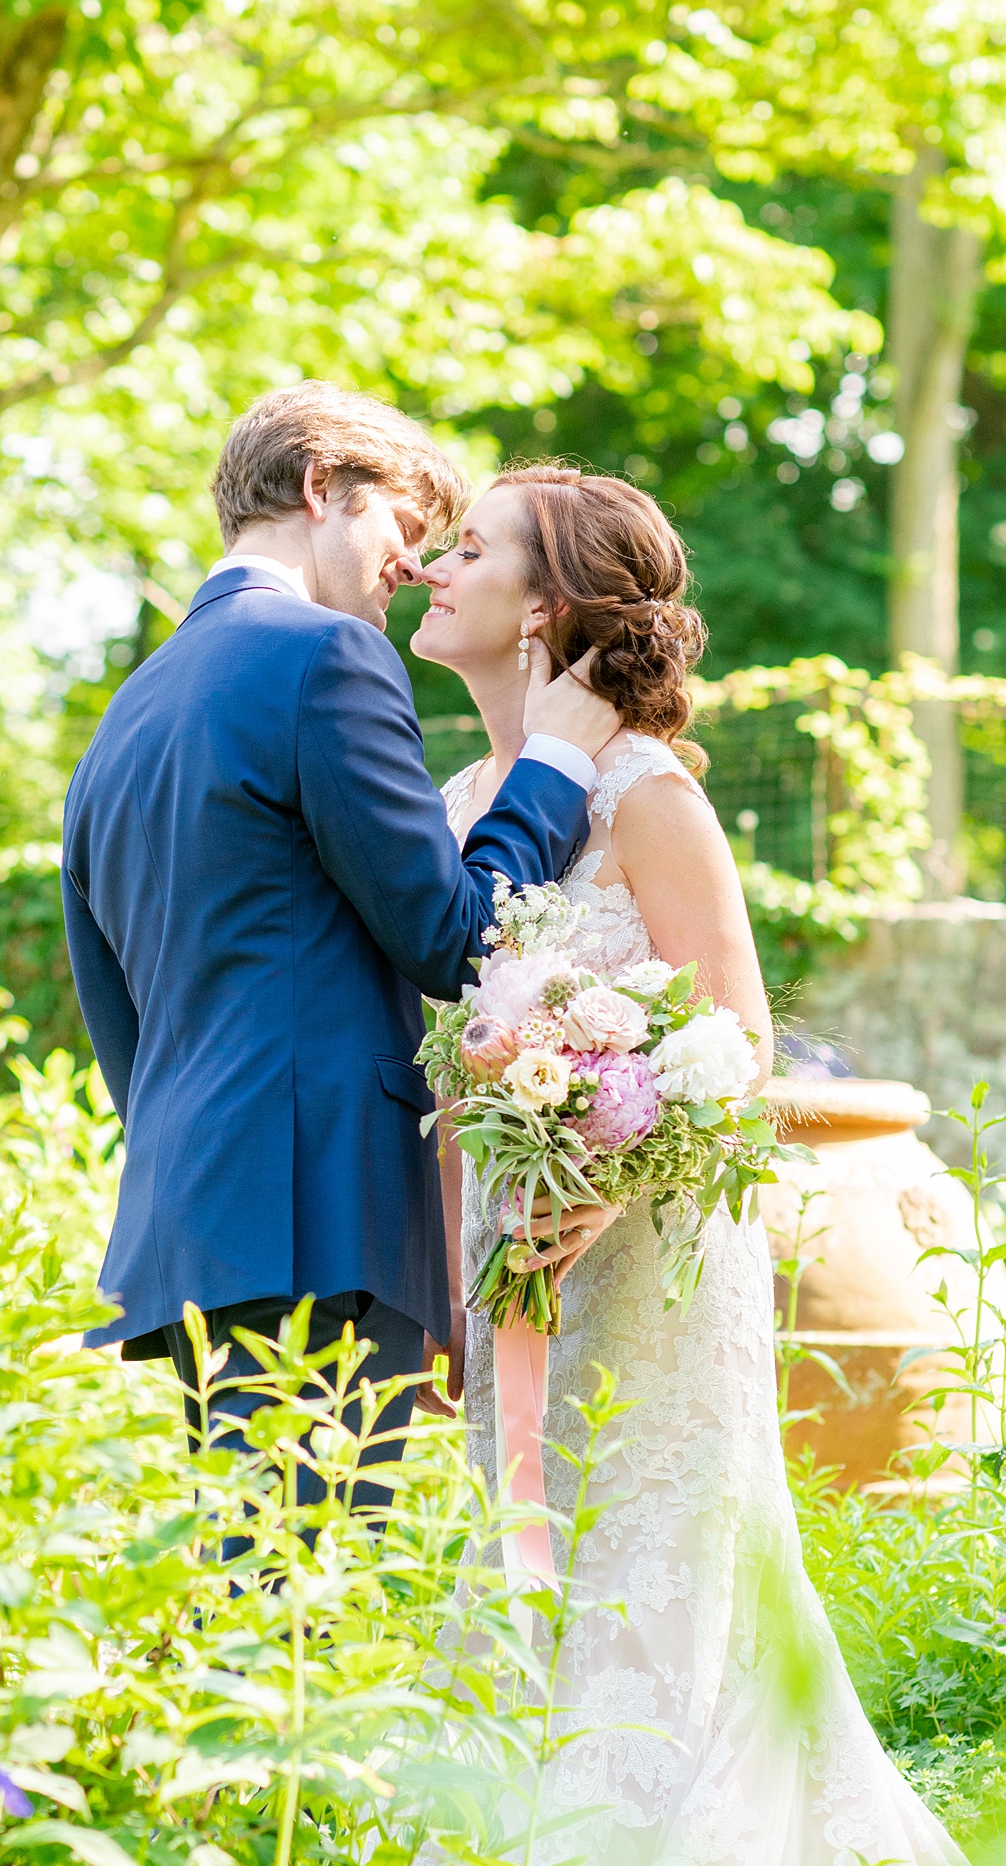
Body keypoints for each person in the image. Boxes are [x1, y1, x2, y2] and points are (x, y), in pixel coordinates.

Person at [420, 459, 1006, 1866]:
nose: (437, 568)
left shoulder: (651, 793)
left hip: (647, 1262)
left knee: (657, 1579)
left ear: (550, 602)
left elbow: (737, 1044)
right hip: (496, 1264)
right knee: (515, 1562)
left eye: (474, 549)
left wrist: (605, 1162)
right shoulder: (458, 810)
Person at [61, 385, 619, 1524]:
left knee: (256, 1603)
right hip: (316, 1213)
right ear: (320, 486)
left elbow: (117, 1017)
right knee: (303, 1607)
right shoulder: (322, 657)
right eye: (402, 533)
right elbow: (454, 935)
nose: (407, 570)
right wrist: (552, 767)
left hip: (196, 1219)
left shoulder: (123, 713)